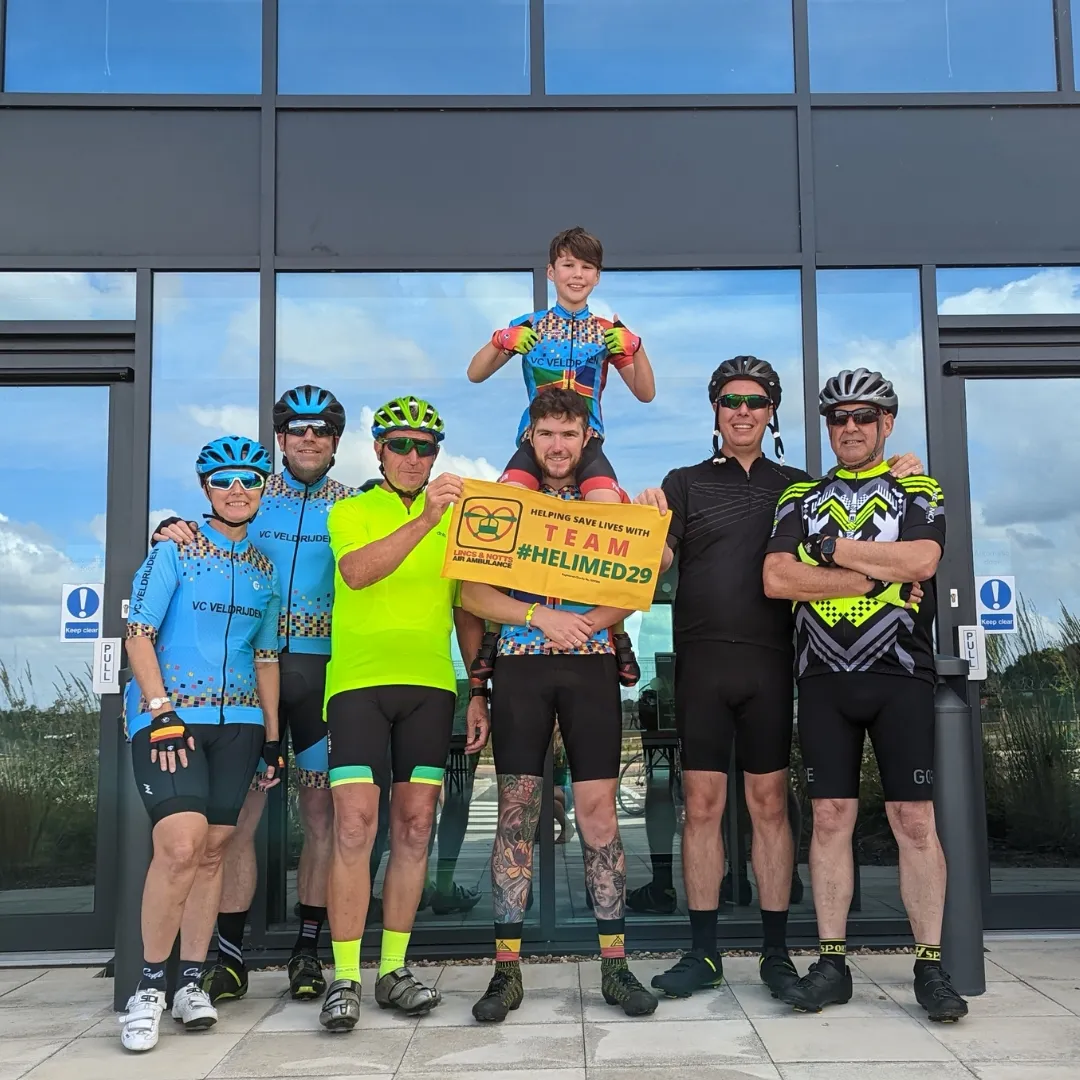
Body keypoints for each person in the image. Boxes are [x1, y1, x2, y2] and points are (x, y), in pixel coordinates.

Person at [634, 357, 924, 1000]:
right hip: (702, 661)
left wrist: (904, 469)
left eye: (757, 402)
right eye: (732, 400)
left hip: (772, 663)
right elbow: (660, 564)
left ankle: (774, 953)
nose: (744, 411)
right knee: (702, 809)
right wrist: (647, 521)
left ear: (772, 413)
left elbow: (858, 498)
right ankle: (704, 952)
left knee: (770, 807)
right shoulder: (681, 481)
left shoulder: (799, 485)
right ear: (715, 409)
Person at [763, 367, 968, 1022]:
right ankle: (831, 964)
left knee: (914, 822)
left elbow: (921, 563)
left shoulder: (918, 486)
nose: (848, 427)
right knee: (828, 820)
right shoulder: (798, 494)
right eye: (836, 417)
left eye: (862, 416)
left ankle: (930, 969)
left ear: (886, 423)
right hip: (822, 677)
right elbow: (774, 577)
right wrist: (868, 576)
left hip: (900, 674)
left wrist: (825, 550)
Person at [152, 385, 361, 1003]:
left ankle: (307, 951)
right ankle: (230, 955)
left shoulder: (354, 505)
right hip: (250, 682)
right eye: (296, 429)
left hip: (324, 681)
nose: (308, 438)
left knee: (321, 819)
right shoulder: (246, 494)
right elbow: (205, 533)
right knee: (236, 824)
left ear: (335, 441)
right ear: (279, 437)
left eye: (321, 430)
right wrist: (171, 527)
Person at [461, 389, 658, 1023]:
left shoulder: (611, 502)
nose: (556, 446)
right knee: (516, 814)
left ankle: (616, 966)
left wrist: (583, 624)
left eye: (568, 435)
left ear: (586, 440)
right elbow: (470, 591)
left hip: (590, 666)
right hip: (520, 666)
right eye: (545, 433)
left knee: (599, 817)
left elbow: (638, 584)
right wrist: (539, 615)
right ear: (530, 437)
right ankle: (506, 970)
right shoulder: (505, 504)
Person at [318, 396, 489, 1033]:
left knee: (415, 828)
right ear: (380, 450)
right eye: (401, 444)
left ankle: (393, 967)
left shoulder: (456, 521)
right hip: (359, 686)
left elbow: (467, 608)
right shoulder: (352, 510)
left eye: (425, 446)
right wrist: (427, 520)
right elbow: (359, 573)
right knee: (356, 829)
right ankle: (344, 977)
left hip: (429, 687)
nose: (414, 456)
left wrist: (478, 688)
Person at [118, 437, 282, 1053]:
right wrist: (160, 712)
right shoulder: (174, 553)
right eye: (225, 482)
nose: (238, 491)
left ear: (263, 490)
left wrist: (271, 739)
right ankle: (149, 987)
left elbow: (265, 658)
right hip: (171, 720)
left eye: (250, 481)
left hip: (239, 723)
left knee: (214, 850)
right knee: (180, 846)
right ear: (206, 489)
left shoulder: (264, 569)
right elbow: (138, 635)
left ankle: (192, 980)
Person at [466, 225, 653, 686]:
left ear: (598, 276)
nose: (577, 274)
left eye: (587, 267)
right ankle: (493, 634)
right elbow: (474, 374)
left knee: (613, 521)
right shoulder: (529, 325)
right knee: (503, 519)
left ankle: (615, 629)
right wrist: (500, 341)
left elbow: (645, 393)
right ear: (551, 272)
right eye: (568, 265)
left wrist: (636, 348)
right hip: (533, 443)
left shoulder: (608, 331)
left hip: (588, 444)